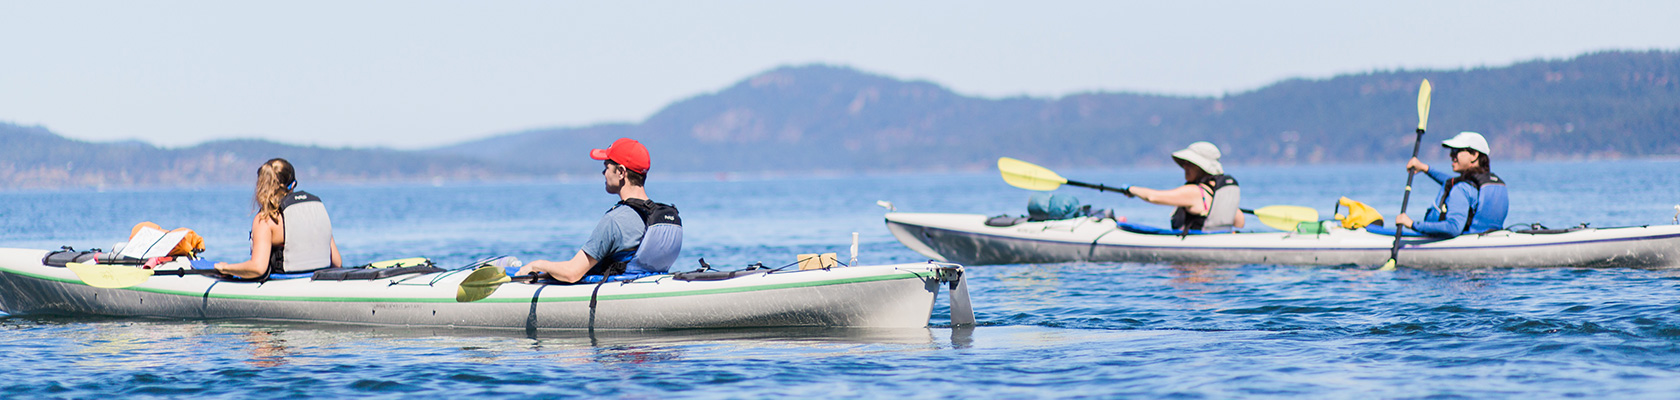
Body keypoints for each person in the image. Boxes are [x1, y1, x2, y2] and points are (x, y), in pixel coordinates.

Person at [516, 138, 683, 283]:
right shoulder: (667, 217)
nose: (603, 173)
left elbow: (572, 273)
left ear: (621, 172)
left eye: (606, 167)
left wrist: (537, 264)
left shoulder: (615, 220)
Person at [214, 158, 343, 279]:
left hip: (286, 285)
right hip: (317, 281)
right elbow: (337, 262)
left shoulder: (266, 219)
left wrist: (226, 268)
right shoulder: (317, 210)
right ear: (292, 185)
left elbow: (258, 268)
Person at [1394, 132, 1508, 237]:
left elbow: (1453, 228)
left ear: (1474, 155)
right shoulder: (1493, 184)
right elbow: (1451, 182)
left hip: (1463, 244)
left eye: (1455, 151)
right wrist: (1426, 169)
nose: (1451, 156)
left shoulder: (1462, 189)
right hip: (1489, 237)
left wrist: (1412, 224)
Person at [1123, 141, 1245, 231]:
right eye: (1184, 163)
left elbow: (1153, 197)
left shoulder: (1193, 191)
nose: (1185, 167)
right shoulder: (1219, 194)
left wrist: (1131, 189)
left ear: (1202, 167)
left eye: (1190, 164)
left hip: (1193, 265)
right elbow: (1240, 222)